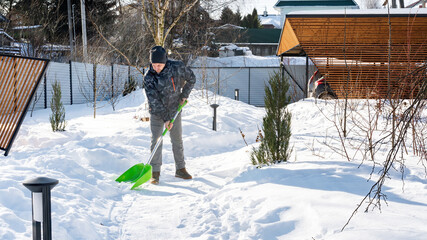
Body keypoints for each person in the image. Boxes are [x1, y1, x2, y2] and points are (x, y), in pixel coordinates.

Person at [143, 46, 196, 185]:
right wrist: (166, 119)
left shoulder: (177, 67)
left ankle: (180, 169)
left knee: (177, 140)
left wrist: (184, 95)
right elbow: (153, 100)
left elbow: (192, 79)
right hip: (157, 112)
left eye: (159, 65)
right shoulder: (149, 77)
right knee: (156, 140)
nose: (157, 68)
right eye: (154, 65)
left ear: (165, 61)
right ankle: (154, 172)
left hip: (174, 109)